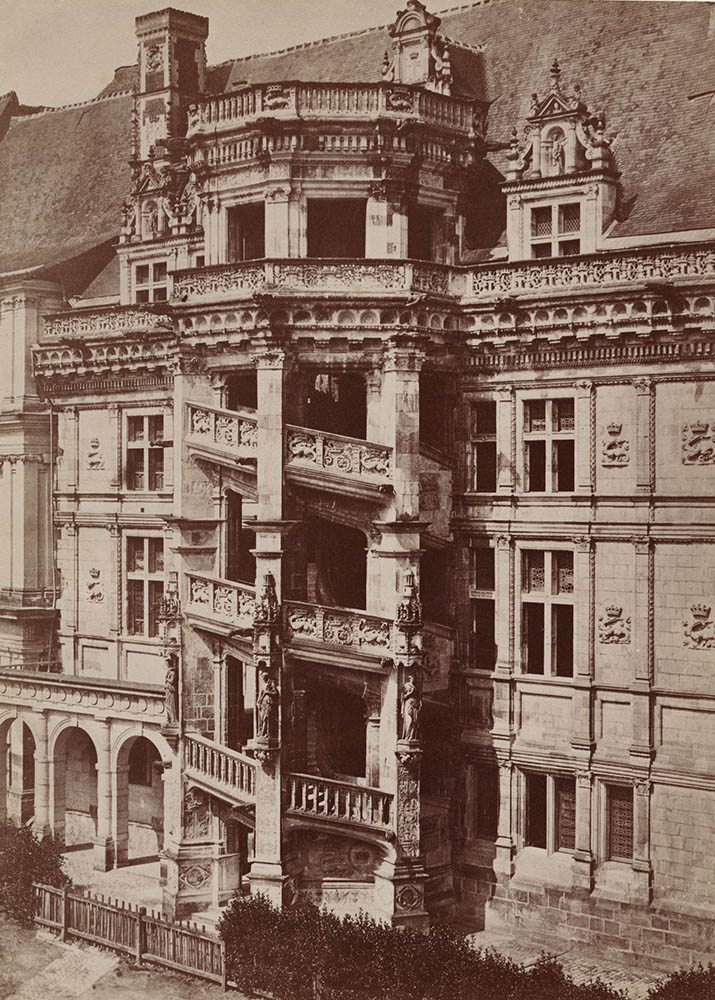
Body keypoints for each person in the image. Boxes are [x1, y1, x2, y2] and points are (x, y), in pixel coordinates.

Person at [257, 670, 279, 741]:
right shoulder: (263, 685)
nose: (263, 678)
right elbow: (260, 695)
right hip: (264, 704)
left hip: (269, 703)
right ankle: (262, 733)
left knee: (267, 719)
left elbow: (276, 693)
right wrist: (258, 702)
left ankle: (267, 734)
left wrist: (267, 692)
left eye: (264, 677)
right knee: (263, 719)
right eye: (263, 677)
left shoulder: (271, 683)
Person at [401, 674, 421, 742]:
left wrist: (419, 702)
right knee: (409, 720)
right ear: (409, 678)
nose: (413, 679)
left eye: (414, 678)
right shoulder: (406, 685)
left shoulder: (415, 687)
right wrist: (410, 692)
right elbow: (403, 696)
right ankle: (407, 736)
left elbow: (418, 697)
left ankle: (411, 737)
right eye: (412, 678)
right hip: (409, 704)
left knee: (414, 721)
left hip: (415, 705)